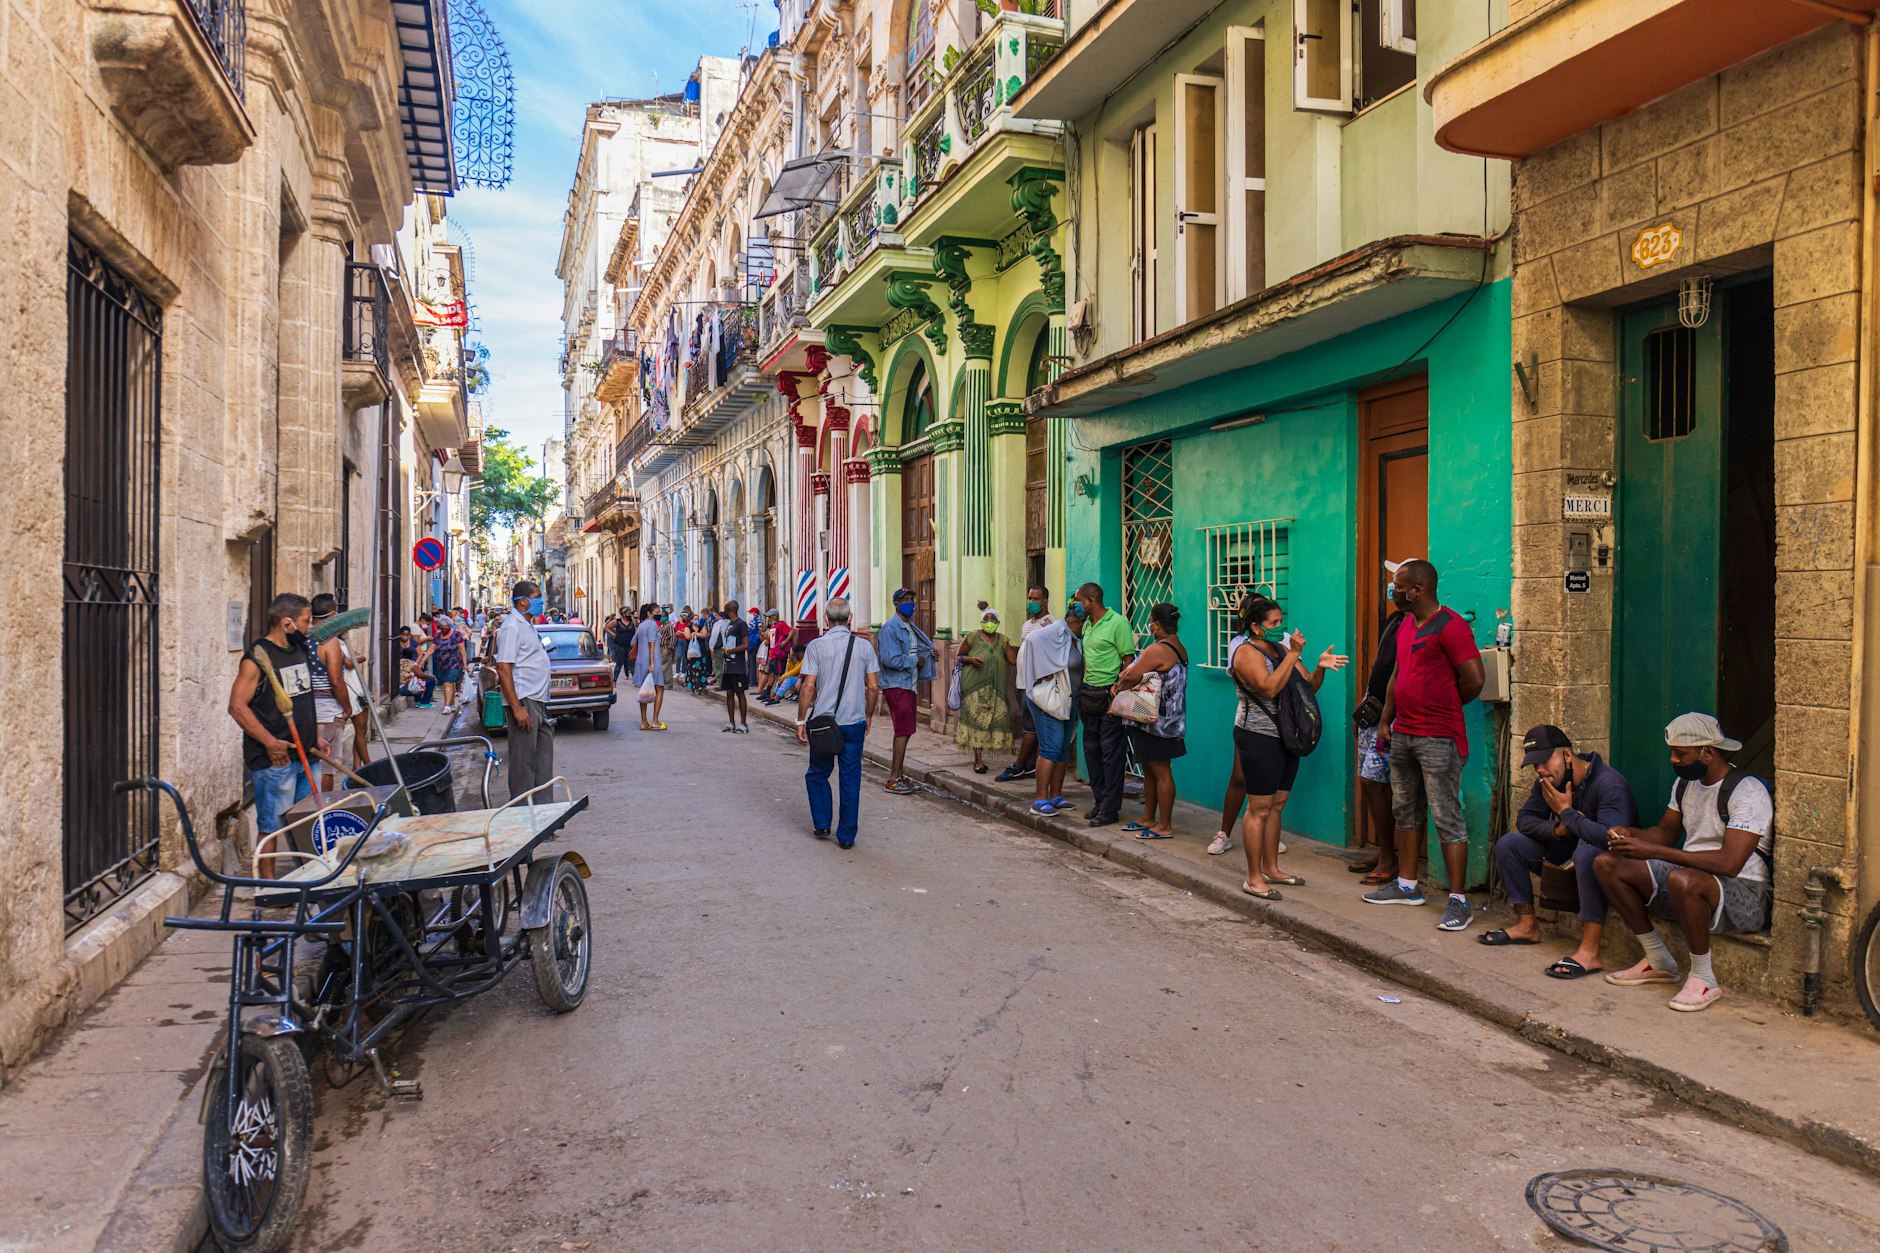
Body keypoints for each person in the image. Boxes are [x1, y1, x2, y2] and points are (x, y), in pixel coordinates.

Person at [1593, 714, 1773, 1012]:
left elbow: (1730, 863)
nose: (1674, 760)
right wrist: (1631, 835)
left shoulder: (1747, 791)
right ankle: (1657, 959)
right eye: (1672, 752)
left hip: (1745, 894)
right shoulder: (1685, 784)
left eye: (1681, 754)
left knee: (1683, 879)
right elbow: (1665, 833)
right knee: (1607, 863)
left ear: (1708, 752)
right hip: (1692, 878)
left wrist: (1652, 851)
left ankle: (1704, 977)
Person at [1364, 559, 1485, 931]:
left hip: (1438, 736)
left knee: (1446, 815)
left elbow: (1474, 679)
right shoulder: (1404, 625)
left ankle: (1458, 899)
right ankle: (1407, 885)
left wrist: (1442, 705)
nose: (1394, 591)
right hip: (1403, 733)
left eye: (1399, 586)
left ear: (1417, 590)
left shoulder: (1451, 626)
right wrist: (1386, 719)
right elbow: (1398, 676)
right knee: (1406, 810)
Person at [1482, 724, 1638, 978]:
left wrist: (1568, 814)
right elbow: (1525, 820)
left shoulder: (1609, 784)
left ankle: (1590, 951)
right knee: (1510, 844)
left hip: (1612, 871)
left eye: (1544, 761)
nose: (1540, 770)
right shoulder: (1547, 781)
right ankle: (1527, 925)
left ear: (1567, 755)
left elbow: (1612, 838)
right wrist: (1559, 829)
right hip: (1566, 863)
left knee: (1588, 853)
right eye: (1534, 765)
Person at [1229, 595, 1348, 899]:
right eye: (1273, 623)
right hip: (1258, 736)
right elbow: (1269, 687)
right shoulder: (1245, 652)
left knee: (1277, 805)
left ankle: (1272, 867)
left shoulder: (1282, 649)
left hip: (1285, 737)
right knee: (1258, 808)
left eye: (1280, 621)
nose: (1280, 628)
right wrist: (1293, 654)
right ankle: (1253, 877)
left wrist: (1319, 666)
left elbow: (1307, 686)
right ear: (1255, 627)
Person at [228, 593, 318, 838]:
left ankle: (305, 875)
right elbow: (237, 706)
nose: (309, 628)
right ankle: (266, 877)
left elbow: (303, 698)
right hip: (276, 762)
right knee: (272, 829)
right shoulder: (257, 658)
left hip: (307, 753)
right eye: (306, 621)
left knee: (309, 825)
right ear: (286, 623)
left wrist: (316, 735)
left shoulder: (299, 647)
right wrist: (270, 742)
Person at [795, 597, 881, 849]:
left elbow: (809, 686)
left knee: (818, 773)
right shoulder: (864, 647)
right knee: (850, 778)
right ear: (850, 618)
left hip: (824, 724)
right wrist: (868, 715)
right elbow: (874, 687)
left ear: (825, 618)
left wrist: (801, 720)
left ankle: (822, 823)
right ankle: (846, 836)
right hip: (854, 722)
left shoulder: (815, 646)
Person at [1348, 563, 1411, 884]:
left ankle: (1390, 858)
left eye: (1397, 583)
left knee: (1378, 783)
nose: (1392, 588)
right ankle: (1385, 850)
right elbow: (1382, 667)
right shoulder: (1395, 620)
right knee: (1372, 783)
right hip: (1375, 713)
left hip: (1393, 717)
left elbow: (1403, 675)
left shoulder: (1416, 624)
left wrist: (1386, 717)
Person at [1115, 603, 1188, 840]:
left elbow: (1130, 675)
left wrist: (1119, 684)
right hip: (1167, 718)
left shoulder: (1158, 649)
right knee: (1149, 768)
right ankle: (1148, 817)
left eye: (1150, 622)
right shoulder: (1179, 647)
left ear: (1156, 625)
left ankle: (1164, 824)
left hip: (1157, 721)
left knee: (1160, 770)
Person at [1068, 583, 1135, 828]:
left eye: (1079, 601)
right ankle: (1100, 800)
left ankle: (1110, 808)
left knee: (1111, 754)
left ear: (1091, 600)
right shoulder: (1087, 624)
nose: (1077, 605)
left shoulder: (1118, 623)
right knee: (1092, 750)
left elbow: (1129, 660)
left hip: (1109, 695)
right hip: (1088, 695)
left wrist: (1118, 688)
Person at [494, 580, 554, 800]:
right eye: (537, 597)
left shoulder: (527, 624)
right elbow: (503, 667)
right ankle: (521, 816)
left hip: (537, 700)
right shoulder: (511, 627)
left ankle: (545, 812)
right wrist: (517, 708)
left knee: (543, 759)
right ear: (522, 601)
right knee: (523, 762)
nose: (541, 602)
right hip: (524, 699)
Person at [1016, 610, 1080, 817]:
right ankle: (1039, 800)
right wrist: (1040, 671)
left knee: (1062, 748)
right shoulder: (1054, 631)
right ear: (1076, 620)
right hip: (1047, 700)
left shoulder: (1076, 638)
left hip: (1069, 700)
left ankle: (1056, 796)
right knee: (1051, 748)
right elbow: (1031, 642)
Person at [876, 587, 935, 794]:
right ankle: (893, 778)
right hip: (896, 685)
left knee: (907, 730)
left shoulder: (909, 626)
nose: (910, 603)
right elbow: (889, 659)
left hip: (908, 683)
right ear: (896, 604)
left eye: (912, 599)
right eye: (905, 600)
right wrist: (915, 660)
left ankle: (899, 775)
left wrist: (927, 655)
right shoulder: (890, 628)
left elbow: (917, 648)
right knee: (902, 730)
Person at [995, 587, 1055, 783]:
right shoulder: (1027, 624)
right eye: (1029, 597)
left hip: (1036, 683)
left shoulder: (1049, 625)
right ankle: (1030, 764)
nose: (1030, 602)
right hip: (1023, 681)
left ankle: (1018, 765)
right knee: (1029, 724)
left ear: (1045, 601)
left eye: (1035, 598)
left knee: (1030, 727)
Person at [307, 594, 358, 792]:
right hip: (328, 712)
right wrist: (347, 708)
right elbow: (336, 681)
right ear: (334, 614)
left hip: (305, 712)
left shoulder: (301, 636)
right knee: (326, 767)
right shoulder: (329, 641)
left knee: (307, 766)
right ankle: (323, 809)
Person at [956, 608, 1014, 772]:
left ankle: (986, 753)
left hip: (996, 688)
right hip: (974, 686)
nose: (990, 622)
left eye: (993, 619)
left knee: (995, 719)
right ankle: (978, 760)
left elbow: (1013, 660)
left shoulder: (1003, 640)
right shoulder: (972, 636)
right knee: (977, 720)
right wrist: (970, 659)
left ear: (998, 622)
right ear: (981, 621)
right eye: (986, 618)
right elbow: (959, 657)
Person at [632, 603, 667, 731]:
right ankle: (655, 721)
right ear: (649, 613)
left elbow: (632, 642)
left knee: (644, 691)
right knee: (660, 688)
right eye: (657, 611)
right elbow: (651, 644)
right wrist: (652, 663)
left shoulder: (641, 625)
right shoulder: (652, 624)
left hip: (641, 660)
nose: (659, 614)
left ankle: (643, 721)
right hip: (652, 660)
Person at [719, 599, 752, 732]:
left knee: (740, 694)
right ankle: (731, 722)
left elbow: (745, 645)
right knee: (729, 693)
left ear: (730, 611)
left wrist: (730, 651)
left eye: (726, 610)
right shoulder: (729, 625)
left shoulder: (741, 624)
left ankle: (743, 723)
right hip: (728, 666)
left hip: (738, 666)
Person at [431, 611, 467, 715]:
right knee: (449, 684)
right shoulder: (438, 636)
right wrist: (422, 660)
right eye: (442, 628)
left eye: (446, 628)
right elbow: (432, 648)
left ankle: (447, 707)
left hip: (455, 663)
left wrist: (465, 664)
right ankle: (451, 704)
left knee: (448, 683)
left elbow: (462, 650)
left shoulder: (456, 635)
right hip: (442, 663)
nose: (444, 630)